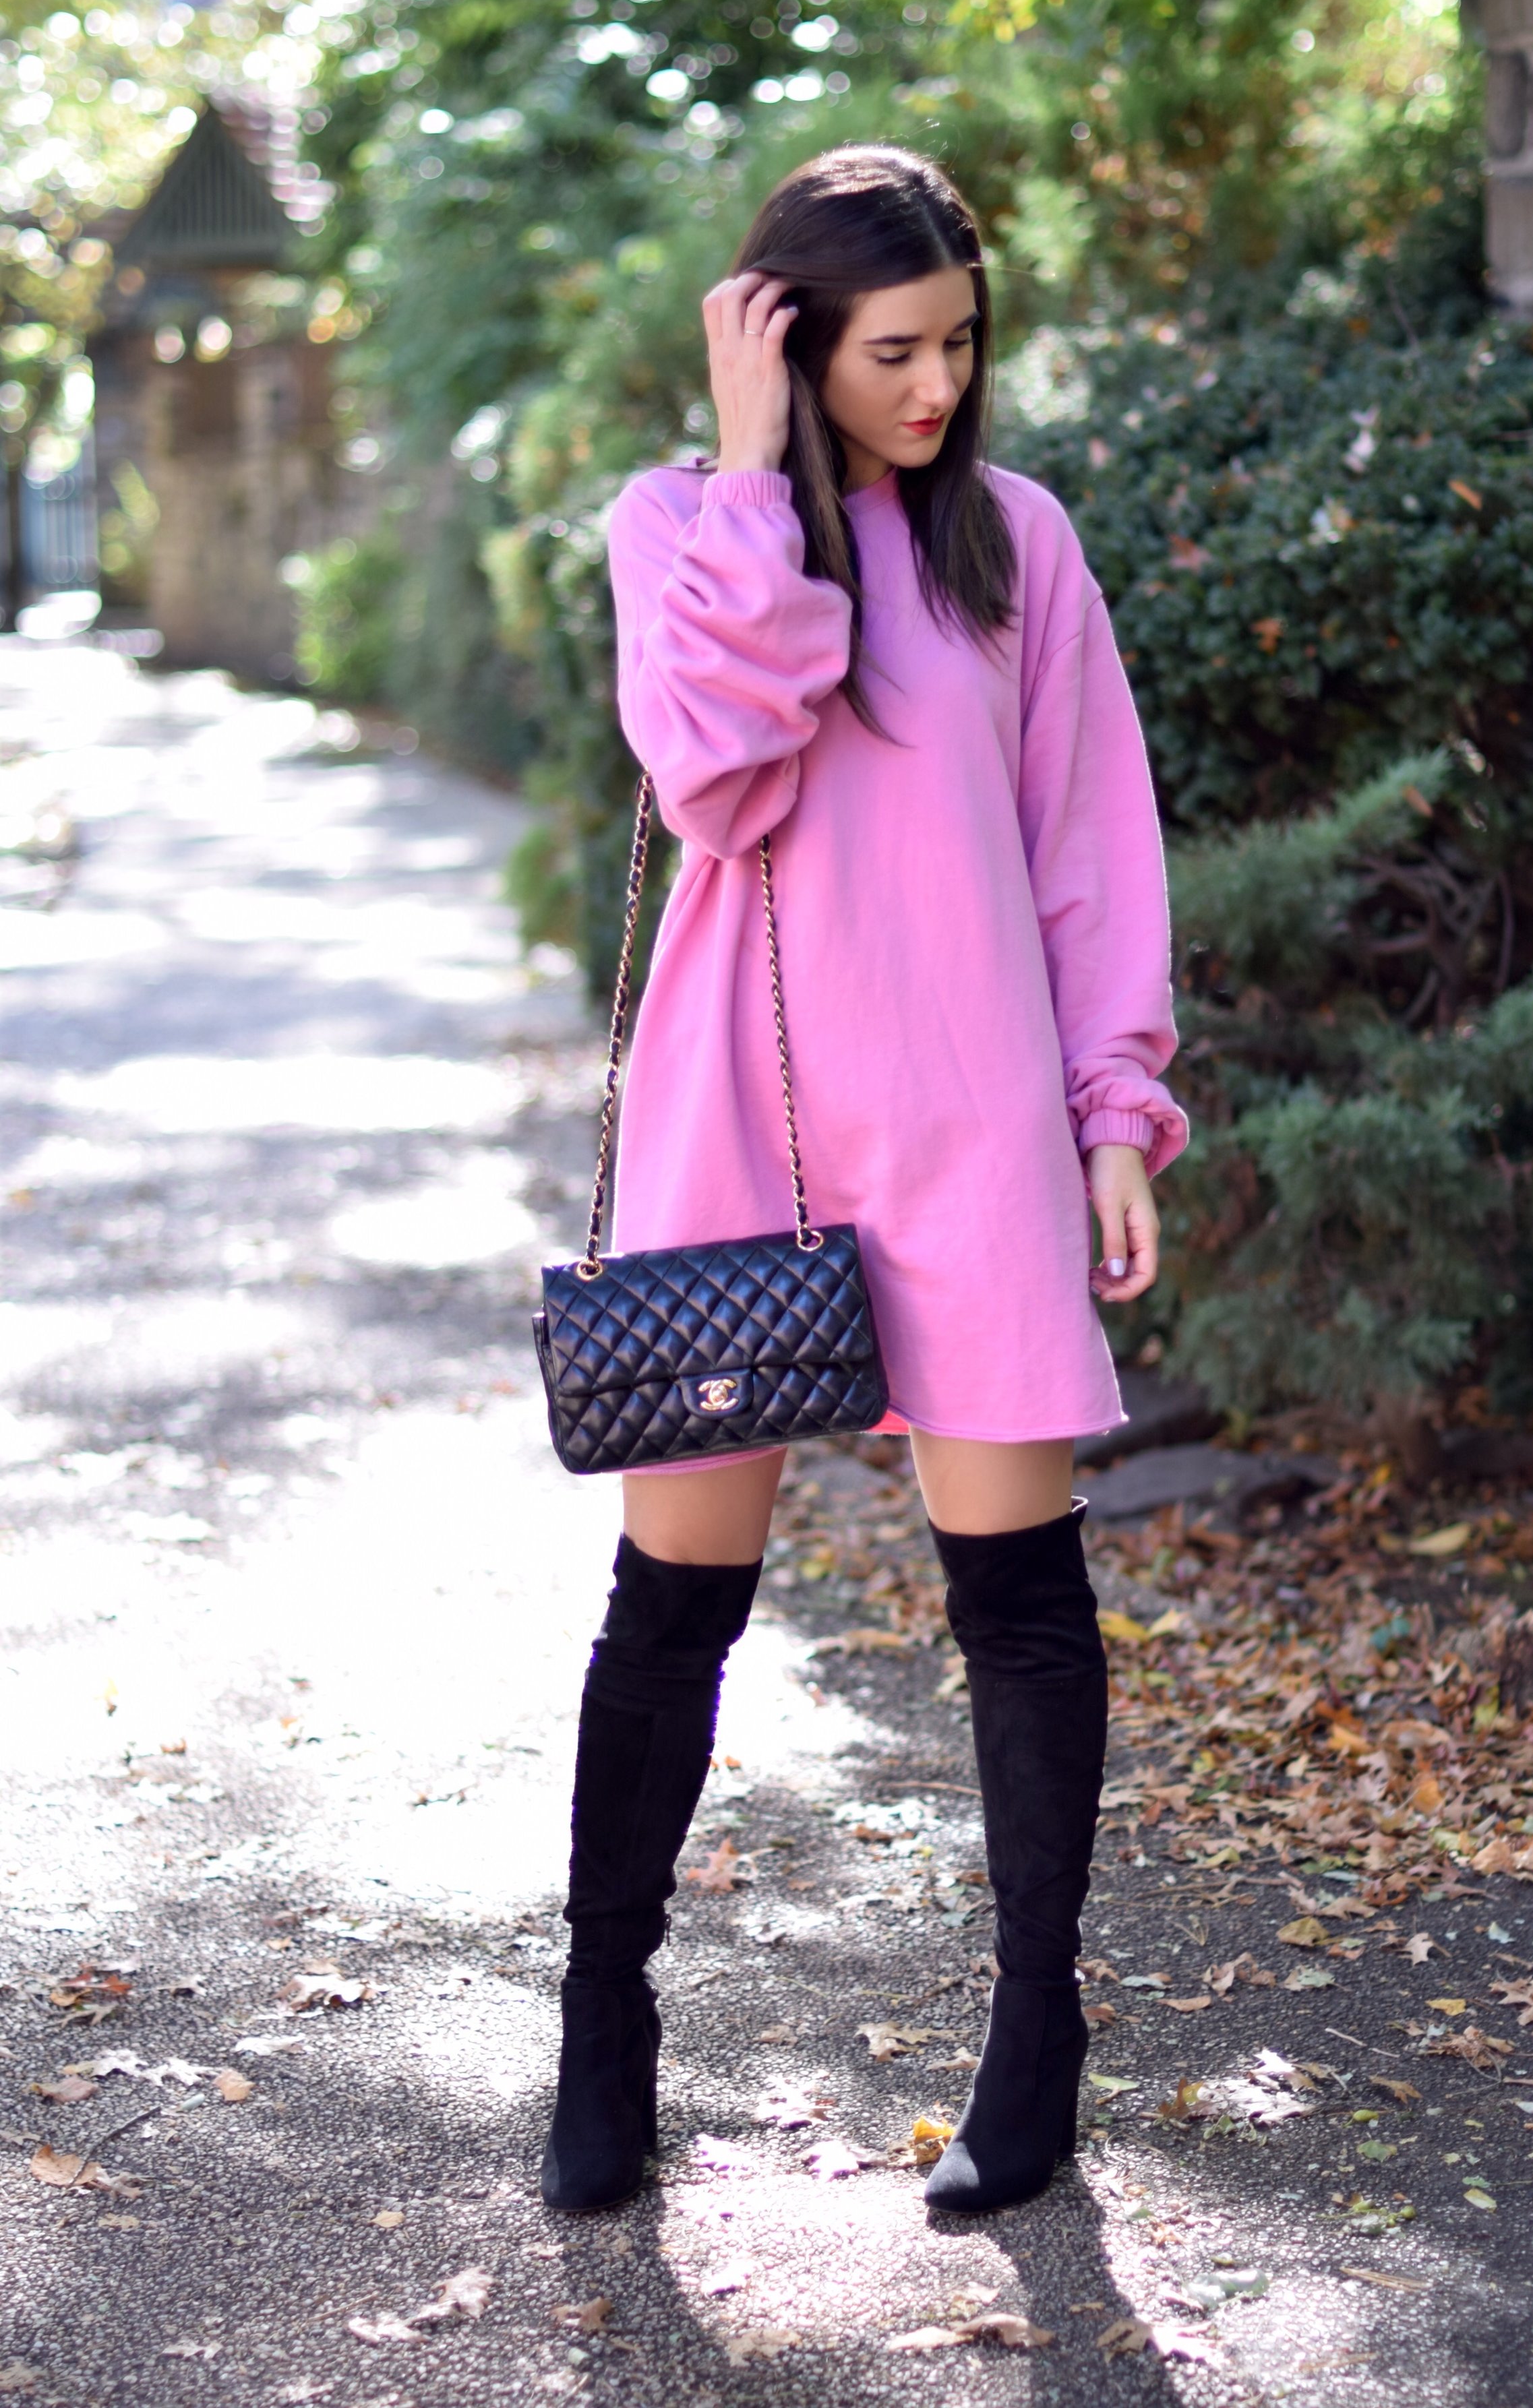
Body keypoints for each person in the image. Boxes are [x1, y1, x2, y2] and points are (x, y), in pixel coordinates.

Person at [542, 142, 1188, 2218]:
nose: (935, 384)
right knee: (673, 1608)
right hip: (741, 1124)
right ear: (792, 341)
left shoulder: (1017, 546)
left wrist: (1113, 1112)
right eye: (891, 350)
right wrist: (751, 477)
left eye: (960, 344)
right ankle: (605, 2029)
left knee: (1017, 1603)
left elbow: (1091, 854)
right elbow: (715, 770)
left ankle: (1032, 2034)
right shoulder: (676, 527)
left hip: (977, 1129)